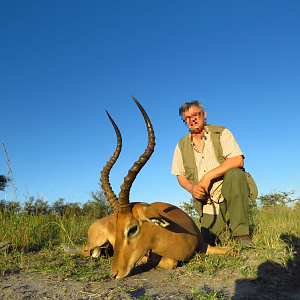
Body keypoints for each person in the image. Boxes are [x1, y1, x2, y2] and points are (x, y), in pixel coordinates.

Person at [171, 101, 254, 247]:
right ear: (184, 122)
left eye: (195, 115)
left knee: (235, 173)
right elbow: (180, 175)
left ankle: (241, 234)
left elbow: (238, 160)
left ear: (204, 115)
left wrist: (208, 176)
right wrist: (191, 188)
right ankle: (225, 228)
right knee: (210, 241)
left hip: (228, 188)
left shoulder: (221, 133)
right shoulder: (181, 146)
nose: (192, 120)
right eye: (187, 118)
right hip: (208, 199)